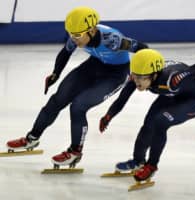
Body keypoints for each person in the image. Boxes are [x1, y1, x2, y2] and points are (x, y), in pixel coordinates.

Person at [7, 6, 148, 167]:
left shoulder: (112, 39)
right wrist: (55, 74)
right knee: (57, 100)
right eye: (70, 34)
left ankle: (75, 152)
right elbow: (65, 52)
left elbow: (143, 49)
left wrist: (143, 74)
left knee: (78, 106)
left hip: (115, 75)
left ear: (92, 30)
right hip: (94, 66)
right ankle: (31, 138)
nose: (73, 39)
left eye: (77, 35)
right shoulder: (77, 33)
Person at [99, 49, 195, 181]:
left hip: (193, 100)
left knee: (160, 121)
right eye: (135, 77)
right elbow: (123, 98)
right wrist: (109, 116)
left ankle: (151, 166)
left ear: (154, 75)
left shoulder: (174, 79)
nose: (137, 82)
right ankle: (138, 161)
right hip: (170, 95)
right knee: (148, 125)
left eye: (141, 78)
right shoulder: (139, 74)